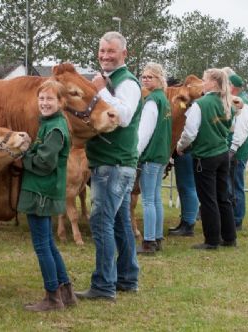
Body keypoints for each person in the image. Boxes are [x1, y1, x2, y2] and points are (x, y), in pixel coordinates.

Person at [76, 31, 142, 301]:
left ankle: (104, 285)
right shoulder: (112, 80)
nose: (105, 56)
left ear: (124, 54)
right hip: (115, 163)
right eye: (102, 51)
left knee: (101, 222)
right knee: (120, 222)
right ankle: (127, 277)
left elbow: (124, 117)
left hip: (113, 164)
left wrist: (101, 89)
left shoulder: (127, 82)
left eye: (111, 51)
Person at [17, 80, 77, 311]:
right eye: (41, 98)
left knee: (42, 246)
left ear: (61, 102)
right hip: (43, 189)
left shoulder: (54, 129)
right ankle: (66, 292)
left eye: (50, 99)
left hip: (42, 190)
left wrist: (22, 158)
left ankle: (52, 297)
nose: (44, 103)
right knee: (49, 244)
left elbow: (45, 163)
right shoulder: (49, 123)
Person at [176, 68, 237, 250]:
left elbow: (190, 133)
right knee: (222, 197)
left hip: (205, 156)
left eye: (205, 80)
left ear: (213, 83)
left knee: (208, 199)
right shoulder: (227, 103)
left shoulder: (200, 104)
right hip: (222, 154)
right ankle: (229, 237)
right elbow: (231, 128)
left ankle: (211, 239)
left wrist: (180, 146)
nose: (203, 83)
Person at [136, 62, 172, 254]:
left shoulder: (152, 101)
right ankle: (157, 237)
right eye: (144, 76)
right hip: (161, 155)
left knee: (148, 200)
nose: (145, 79)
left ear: (159, 79)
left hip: (151, 155)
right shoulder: (164, 100)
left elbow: (144, 132)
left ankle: (149, 241)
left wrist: (136, 153)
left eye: (150, 76)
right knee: (156, 198)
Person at [224, 68, 248, 231]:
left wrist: (233, 149)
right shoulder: (238, 101)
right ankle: (233, 217)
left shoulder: (243, 104)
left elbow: (241, 130)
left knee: (235, 185)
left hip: (237, 152)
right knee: (231, 184)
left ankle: (236, 219)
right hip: (234, 151)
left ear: (232, 86)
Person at [167, 151, 199, 237]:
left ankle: (189, 224)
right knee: (184, 187)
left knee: (188, 187)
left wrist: (179, 147)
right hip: (184, 152)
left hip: (186, 151)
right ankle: (185, 222)